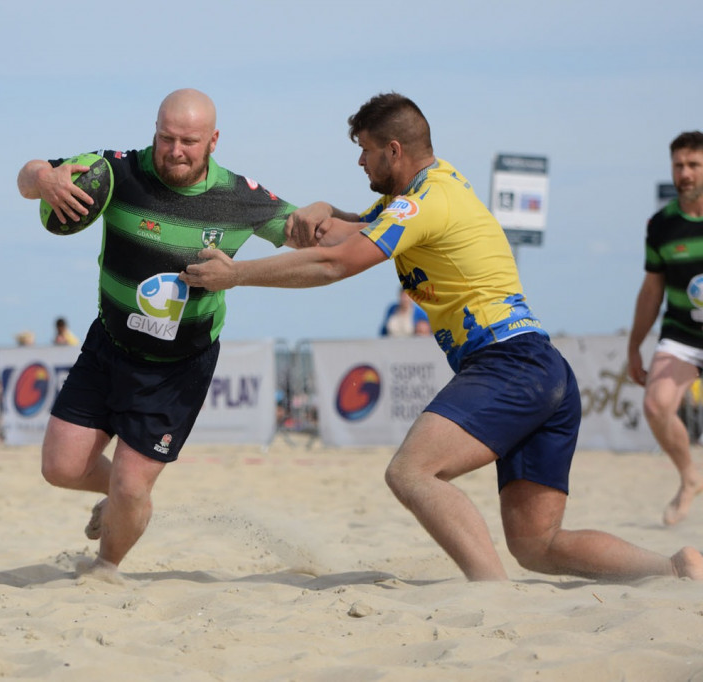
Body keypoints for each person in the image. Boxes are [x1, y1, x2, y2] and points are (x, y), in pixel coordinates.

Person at [182, 92, 703, 582]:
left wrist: (238, 275)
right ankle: (675, 571)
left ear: (394, 149)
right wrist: (324, 207)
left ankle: (493, 595)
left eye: (364, 152)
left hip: (508, 363)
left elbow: (335, 263)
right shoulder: (435, 186)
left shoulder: (422, 204)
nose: (360, 163)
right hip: (543, 368)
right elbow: (353, 230)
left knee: (412, 472)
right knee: (537, 544)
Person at [17, 88, 303, 581]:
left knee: (130, 487)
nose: (175, 150)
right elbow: (28, 174)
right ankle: (128, 500)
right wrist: (45, 178)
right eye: (165, 137)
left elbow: (305, 233)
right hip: (109, 343)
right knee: (60, 468)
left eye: (188, 141)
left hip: (179, 366)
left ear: (213, 140)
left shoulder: (240, 197)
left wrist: (371, 224)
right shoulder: (118, 170)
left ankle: (105, 564)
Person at [627, 131, 703, 526]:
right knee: (656, 405)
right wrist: (635, 345)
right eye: (679, 165)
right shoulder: (660, 225)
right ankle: (690, 477)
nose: (685, 173)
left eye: (694, 165)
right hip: (682, 335)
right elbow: (652, 289)